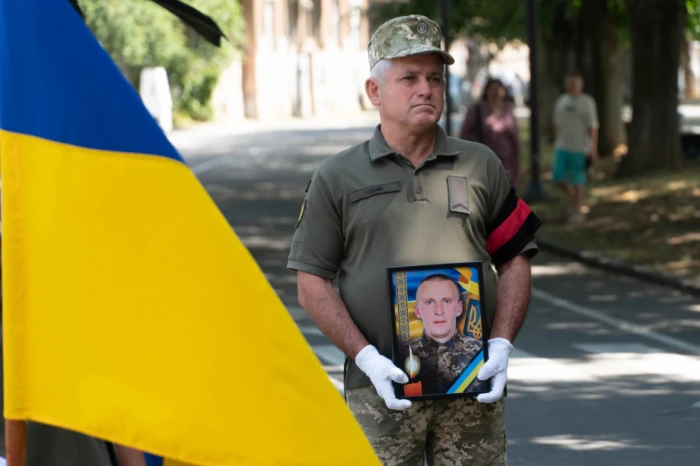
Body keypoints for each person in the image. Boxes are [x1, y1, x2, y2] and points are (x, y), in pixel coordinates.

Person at [288, 14, 542, 465]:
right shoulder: (336, 178)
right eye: (409, 77)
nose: (425, 89)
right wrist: (365, 358)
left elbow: (515, 259)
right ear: (374, 92)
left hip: (470, 387)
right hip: (381, 392)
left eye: (434, 78)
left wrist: (501, 345)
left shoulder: (480, 165)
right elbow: (312, 284)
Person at [409, 274, 485, 394]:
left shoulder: (480, 352)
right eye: (429, 302)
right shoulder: (403, 353)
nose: (439, 311)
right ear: (417, 311)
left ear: (459, 308)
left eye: (447, 301)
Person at [552, 71, 599, 224]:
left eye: (575, 83)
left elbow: (592, 127)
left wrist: (593, 148)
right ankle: (573, 199)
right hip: (562, 145)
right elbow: (556, 123)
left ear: (581, 84)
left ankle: (577, 210)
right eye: (569, 82)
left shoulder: (587, 102)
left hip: (580, 146)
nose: (571, 86)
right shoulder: (561, 101)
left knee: (577, 179)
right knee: (558, 177)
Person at [460, 77, 521, 188]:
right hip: (482, 164)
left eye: (499, 89)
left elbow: (515, 138)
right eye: (492, 89)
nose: (496, 92)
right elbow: (464, 135)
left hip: (506, 165)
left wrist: (516, 164)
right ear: (486, 91)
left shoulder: (508, 110)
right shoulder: (476, 110)